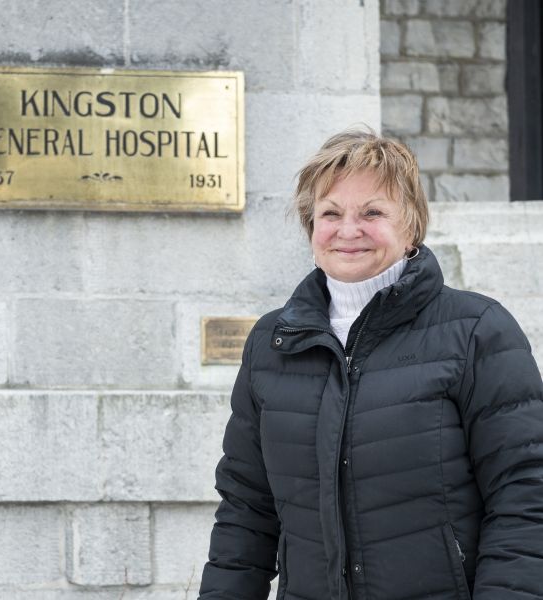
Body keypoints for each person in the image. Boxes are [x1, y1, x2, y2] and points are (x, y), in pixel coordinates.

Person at [199, 129, 543, 599]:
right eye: (330, 213)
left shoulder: (475, 331)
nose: (348, 230)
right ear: (311, 226)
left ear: (411, 226)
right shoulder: (272, 344)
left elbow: (525, 492)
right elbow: (245, 509)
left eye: (372, 212)